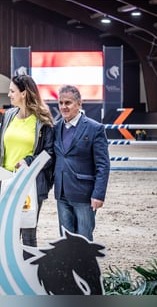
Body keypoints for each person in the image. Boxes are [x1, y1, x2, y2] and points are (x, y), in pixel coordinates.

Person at [0, 74, 54, 258]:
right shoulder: (8, 116)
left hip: (30, 183)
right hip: (7, 182)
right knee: (8, 233)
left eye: (12, 91)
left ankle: (29, 276)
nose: (9, 94)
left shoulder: (43, 119)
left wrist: (28, 162)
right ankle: (11, 275)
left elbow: (49, 152)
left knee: (28, 233)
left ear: (24, 93)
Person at [53, 85, 110, 241]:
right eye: (61, 103)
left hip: (85, 195)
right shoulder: (55, 128)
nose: (63, 107)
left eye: (68, 103)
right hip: (61, 193)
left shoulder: (95, 128)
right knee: (65, 240)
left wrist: (98, 194)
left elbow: (103, 165)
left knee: (84, 241)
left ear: (79, 104)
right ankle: (68, 266)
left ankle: (83, 267)